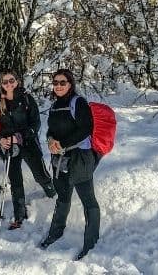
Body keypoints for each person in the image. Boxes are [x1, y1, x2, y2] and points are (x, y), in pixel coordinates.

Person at [40, 68, 101, 261]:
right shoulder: (55, 106)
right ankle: (55, 233)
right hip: (60, 160)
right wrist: (50, 140)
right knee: (63, 198)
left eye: (62, 82)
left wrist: (62, 144)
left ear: (70, 84)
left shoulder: (78, 102)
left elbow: (86, 128)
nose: (58, 86)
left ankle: (91, 242)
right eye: (55, 82)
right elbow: (51, 129)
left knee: (88, 201)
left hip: (80, 159)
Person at [0, 70, 57, 230]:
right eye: (5, 82)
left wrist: (20, 136)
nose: (8, 84)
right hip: (10, 146)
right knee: (15, 180)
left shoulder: (26, 98)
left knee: (40, 174)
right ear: (1, 85)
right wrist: (1, 140)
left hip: (28, 143)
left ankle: (53, 196)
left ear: (17, 81)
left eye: (11, 80)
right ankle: (19, 216)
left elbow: (36, 124)